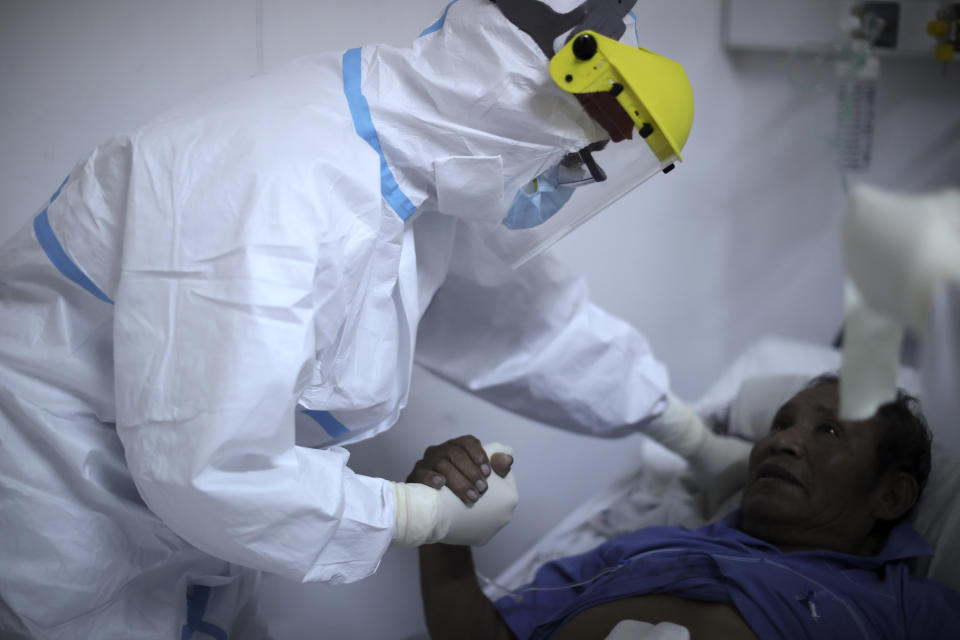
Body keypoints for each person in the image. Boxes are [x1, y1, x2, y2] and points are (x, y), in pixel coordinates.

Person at [0, 0, 696, 638]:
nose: (569, 175)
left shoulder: (418, 167)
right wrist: (416, 516)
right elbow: (207, 464)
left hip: (167, 513)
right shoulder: (273, 183)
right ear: (527, 86)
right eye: (578, 150)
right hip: (59, 502)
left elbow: (519, 324)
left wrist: (683, 428)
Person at [414, 376, 960, 639]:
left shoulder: (907, 608)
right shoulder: (646, 548)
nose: (783, 441)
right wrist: (443, 523)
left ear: (892, 496)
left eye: (831, 431)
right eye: (780, 424)